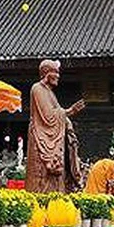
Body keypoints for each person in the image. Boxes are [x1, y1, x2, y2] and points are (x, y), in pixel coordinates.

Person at [25, 59, 84, 193]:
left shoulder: (50, 93)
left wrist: (68, 122)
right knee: (41, 180)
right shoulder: (37, 89)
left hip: (53, 138)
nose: (58, 76)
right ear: (46, 73)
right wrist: (69, 111)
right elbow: (48, 117)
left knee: (56, 182)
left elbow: (58, 114)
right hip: (41, 138)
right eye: (55, 72)